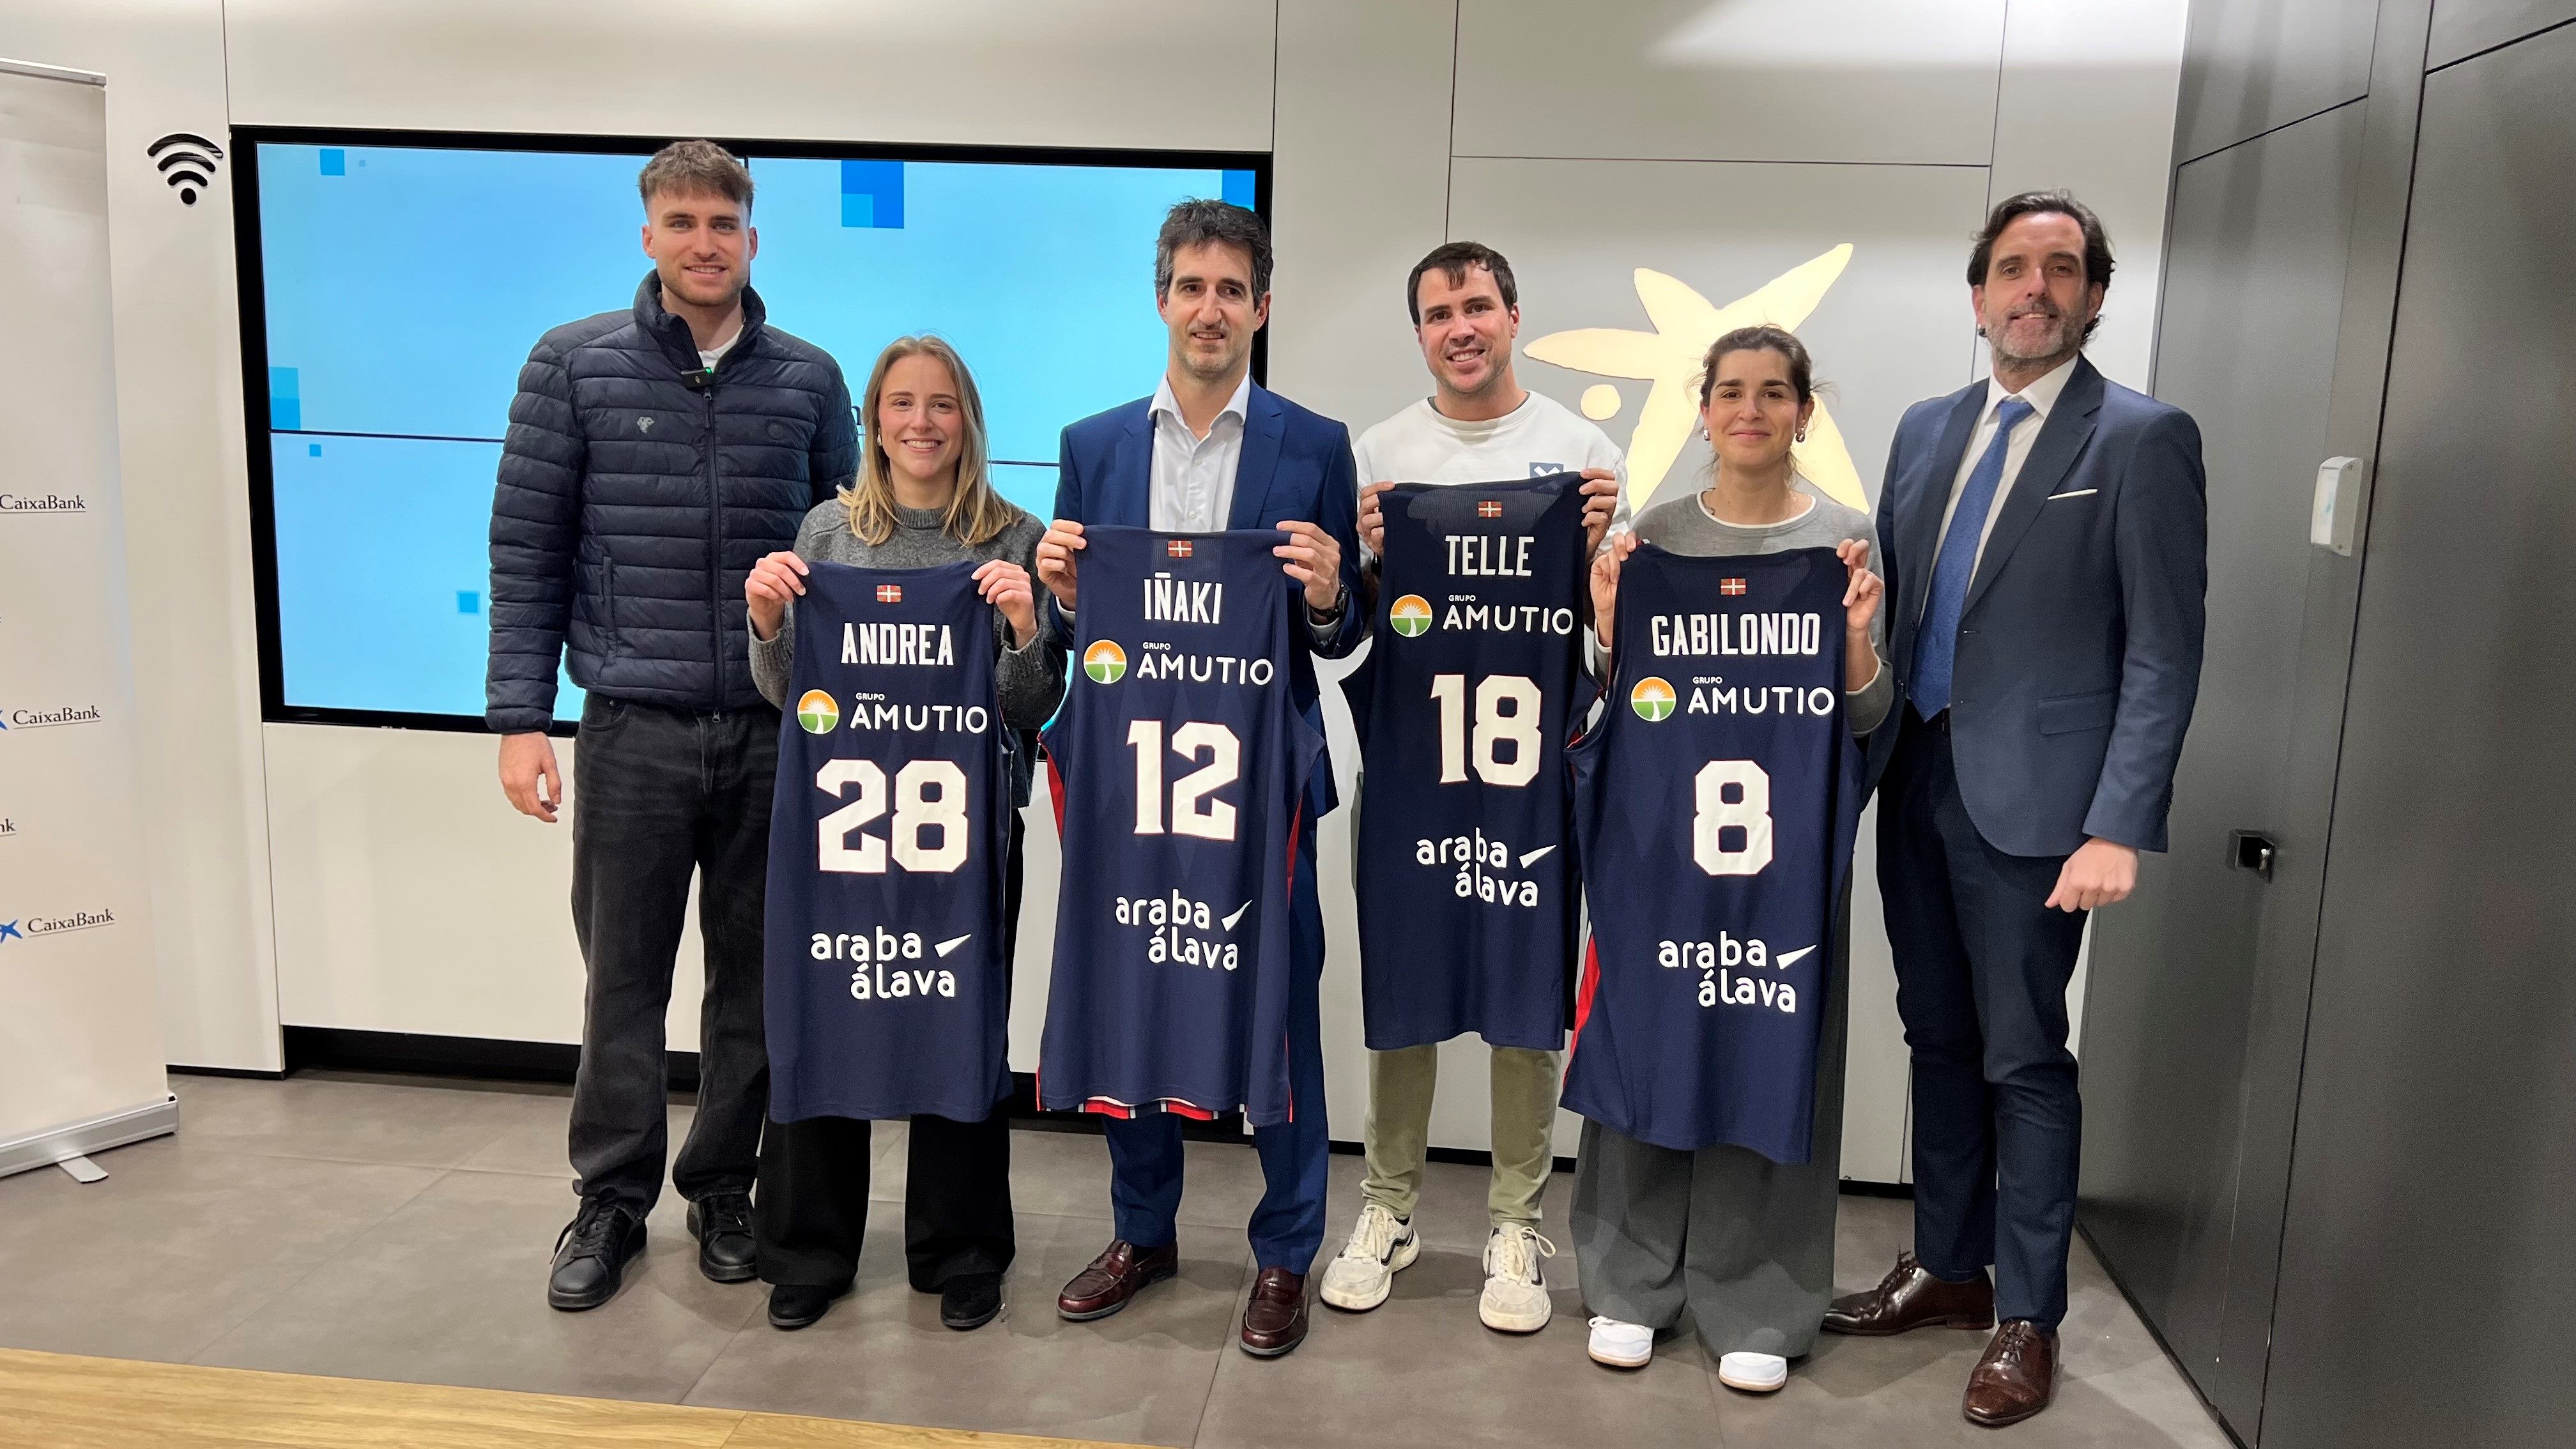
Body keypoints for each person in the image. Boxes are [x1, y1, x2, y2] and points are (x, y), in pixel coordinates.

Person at [1825, 190, 2205, 1428]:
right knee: (1935, 1035)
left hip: (2043, 813)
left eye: (2059, 269)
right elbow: (1892, 603)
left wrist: (2117, 825)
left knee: (2024, 1057)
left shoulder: (2143, 440)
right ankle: (1948, 1264)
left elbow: (2163, 651)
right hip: (1918, 780)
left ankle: (2028, 1314)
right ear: (1978, 292)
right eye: (2010, 269)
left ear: (2096, 295)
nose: (2032, 289)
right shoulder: (1928, 429)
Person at [486, 140, 857, 1312]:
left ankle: (723, 1190)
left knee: (752, 984)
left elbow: (851, 552)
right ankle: (609, 1201)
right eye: (684, 220)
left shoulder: (808, 377)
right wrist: (518, 718)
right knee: (624, 982)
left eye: (725, 221)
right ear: (649, 234)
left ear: (755, 239)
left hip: (772, 735)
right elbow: (527, 549)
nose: (705, 241)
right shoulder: (573, 364)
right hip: (631, 727)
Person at [1033, 198, 1363, 1358]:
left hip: (1260, 785)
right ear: (1161, 299)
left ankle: (1284, 1253)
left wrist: (1329, 593)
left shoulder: (1313, 444)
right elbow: (1084, 638)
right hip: (1135, 780)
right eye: (1191, 286)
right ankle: (1144, 1232)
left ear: (1261, 307)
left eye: (1233, 290)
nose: (1210, 309)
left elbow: (1341, 634)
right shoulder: (1096, 445)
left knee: (1278, 1012)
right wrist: (1063, 596)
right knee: (1137, 986)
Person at [1317, 241, 1625, 1334]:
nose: (1462, 326)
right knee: (1402, 985)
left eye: (1480, 306)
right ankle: (1390, 1205)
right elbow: (1347, 634)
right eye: (1441, 311)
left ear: (1513, 316)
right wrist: (1361, 565)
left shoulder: (1580, 453)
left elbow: (1608, 648)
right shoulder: (1379, 455)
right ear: (1419, 332)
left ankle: (1514, 1219)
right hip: (1414, 765)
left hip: (1530, 773)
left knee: (1522, 997)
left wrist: (1599, 566)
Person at [1573, 326, 1888, 1393]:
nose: (1750, 410)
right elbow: (1611, 698)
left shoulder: (1847, 541)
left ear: (1805, 408)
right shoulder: (1654, 535)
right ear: (1704, 409)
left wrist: (1853, 644)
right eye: (1731, 392)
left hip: (1782, 865)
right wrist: (1610, 625)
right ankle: (1628, 1280)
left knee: (1771, 1056)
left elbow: (1870, 716)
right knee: (1644, 1045)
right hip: (1661, 852)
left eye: (1774, 392)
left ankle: (1757, 1293)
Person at [740, 335, 1063, 1333]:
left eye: (941, 405)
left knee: (958, 1029)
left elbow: (1032, 704)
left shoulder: (1013, 536)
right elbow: (790, 694)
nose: (920, 423)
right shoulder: (829, 534)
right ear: (873, 420)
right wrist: (763, 623)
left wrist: (1023, 629)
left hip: (965, 840)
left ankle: (961, 1249)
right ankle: (809, 1246)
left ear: (967, 418)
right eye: (900, 405)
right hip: (842, 836)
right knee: (825, 1015)